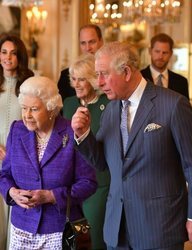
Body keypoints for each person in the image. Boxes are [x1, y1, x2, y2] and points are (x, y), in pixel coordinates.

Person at [71, 41, 192, 250]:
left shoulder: (174, 105)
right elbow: (101, 163)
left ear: (126, 72)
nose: (99, 82)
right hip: (117, 229)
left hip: (160, 227)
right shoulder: (110, 110)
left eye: (104, 74)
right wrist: (83, 135)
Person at [0, 76, 97, 249]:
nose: (27, 115)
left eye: (34, 109)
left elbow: (89, 183)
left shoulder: (71, 131)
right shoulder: (17, 129)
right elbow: (4, 174)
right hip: (21, 228)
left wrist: (52, 196)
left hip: (61, 229)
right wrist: (11, 192)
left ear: (51, 109)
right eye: (24, 108)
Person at [63, 53, 110, 249]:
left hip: (100, 183)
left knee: (96, 239)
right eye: (74, 79)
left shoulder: (108, 104)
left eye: (82, 79)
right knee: (76, 238)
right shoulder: (69, 104)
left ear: (93, 78)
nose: (77, 84)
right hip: (72, 186)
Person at [0, 33, 34, 250]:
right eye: (3, 52)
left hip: (19, 162)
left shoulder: (29, 86)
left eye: (13, 53)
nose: (7, 57)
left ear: (20, 57)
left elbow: (37, 124)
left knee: (14, 221)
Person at [58, 24, 104, 101]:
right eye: (83, 43)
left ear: (101, 41)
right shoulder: (65, 76)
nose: (87, 48)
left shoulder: (109, 74)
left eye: (92, 42)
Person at [141, 33, 189, 99]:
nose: (160, 56)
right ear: (150, 51)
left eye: (165, 53)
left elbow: (184, 108)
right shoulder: (140, 77)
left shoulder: (181, 82)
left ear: (171, 54)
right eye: (157, 51)